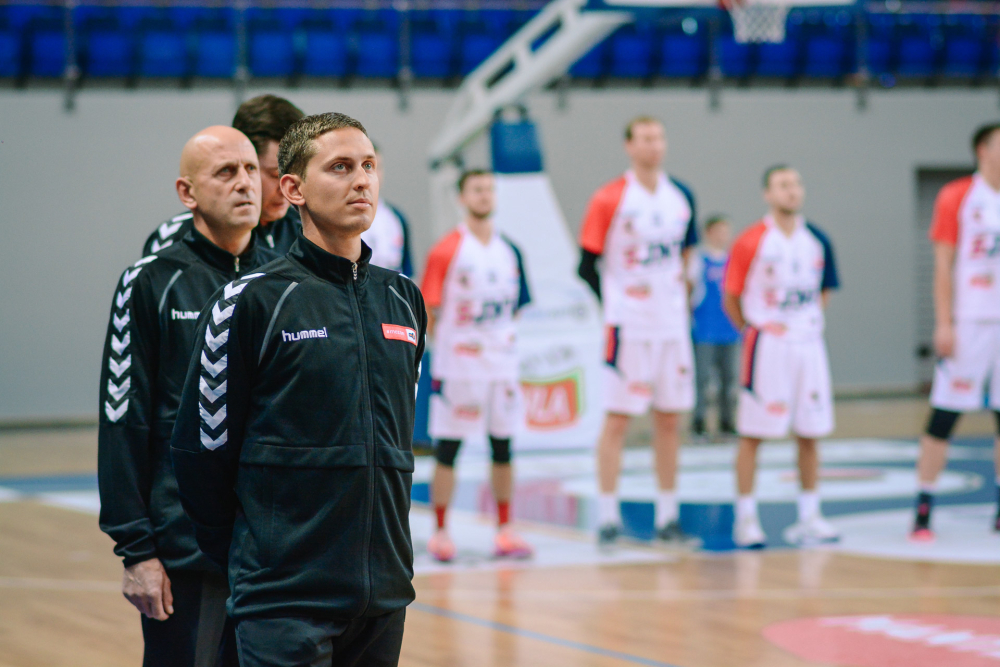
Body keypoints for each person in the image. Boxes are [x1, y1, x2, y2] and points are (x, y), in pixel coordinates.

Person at [171, 112, 425, 667]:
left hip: (383, 597)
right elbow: (200, 451)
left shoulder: (404, 299)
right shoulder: (251, 300)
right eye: (340, 167)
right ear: (293, 189)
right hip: (283, 601)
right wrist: (257, 558)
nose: (361, 181)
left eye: (368, 166)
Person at [98, 125, 277, 667]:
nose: (245, 183)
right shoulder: (150, 283)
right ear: (187, 192)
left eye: (251, 170)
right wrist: (137, 551)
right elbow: (123, 419)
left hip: (271, 555)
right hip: (185, 554)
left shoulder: (284, 281)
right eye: (226, 172)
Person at [577, 116, 699, 546]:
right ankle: (608, 517)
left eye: (659, 137)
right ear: (629, 145)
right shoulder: (610, 197)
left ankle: (668, 516)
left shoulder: (681, 196)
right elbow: (585, 265)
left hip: (672, 327)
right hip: (628, 326)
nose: (654, 145)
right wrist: (615, 303)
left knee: (669, 419)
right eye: (645, 138)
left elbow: (688, 253)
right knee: (617, 420)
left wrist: (678, 293)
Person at [723, 165, 840, 549]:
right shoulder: (751, 241)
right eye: (783, 185)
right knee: (753, 434)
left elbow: (825, 291)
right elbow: (731, 297)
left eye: (796, 184)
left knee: (811, 433)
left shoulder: (818, 240)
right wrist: (756, 328)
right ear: (767, 194)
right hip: (768, 345)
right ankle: (746, 519)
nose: (792, 191)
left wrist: (804, 323)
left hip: (809, 344)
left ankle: (810, 516)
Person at [420, 169, 533, 563]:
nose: (485, 196)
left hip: (502, 367)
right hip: (459, 367)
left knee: (503, 448)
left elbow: (517, 307)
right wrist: (451, 346)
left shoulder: (511, 250)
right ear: (462, 198)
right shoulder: (447, 250)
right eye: (477, 190)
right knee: (448, 450)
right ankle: (440, 532)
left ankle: (505, 529)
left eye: (489, 189)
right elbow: (429, 308)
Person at [911, 123, 1000, 541]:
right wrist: (944, 322)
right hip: (970, 323)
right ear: (983, 149)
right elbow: (943, 265)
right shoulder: (957, 196)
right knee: (944, 416)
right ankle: (923, 507)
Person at [144, 94, 305, 256]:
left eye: (297, 174)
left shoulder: (306, 228)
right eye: (275, 174)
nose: (288, 188)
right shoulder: (174, 239)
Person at [687, 215, 741, 438]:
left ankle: (726, 422)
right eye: (718, 231)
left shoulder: (733, 261)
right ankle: (699, 423)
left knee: (729, 379)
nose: (722, 236)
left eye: (725, 231)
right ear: (708, 233)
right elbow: (688, 292)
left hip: (729, 330)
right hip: (705, 331)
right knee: (702, 379)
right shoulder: (698, 261)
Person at [361, 144, 413, 275]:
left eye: (378, 167)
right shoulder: (341, 218)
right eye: (368, 167)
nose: (374, 174)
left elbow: (407, 272)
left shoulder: (396, 217)